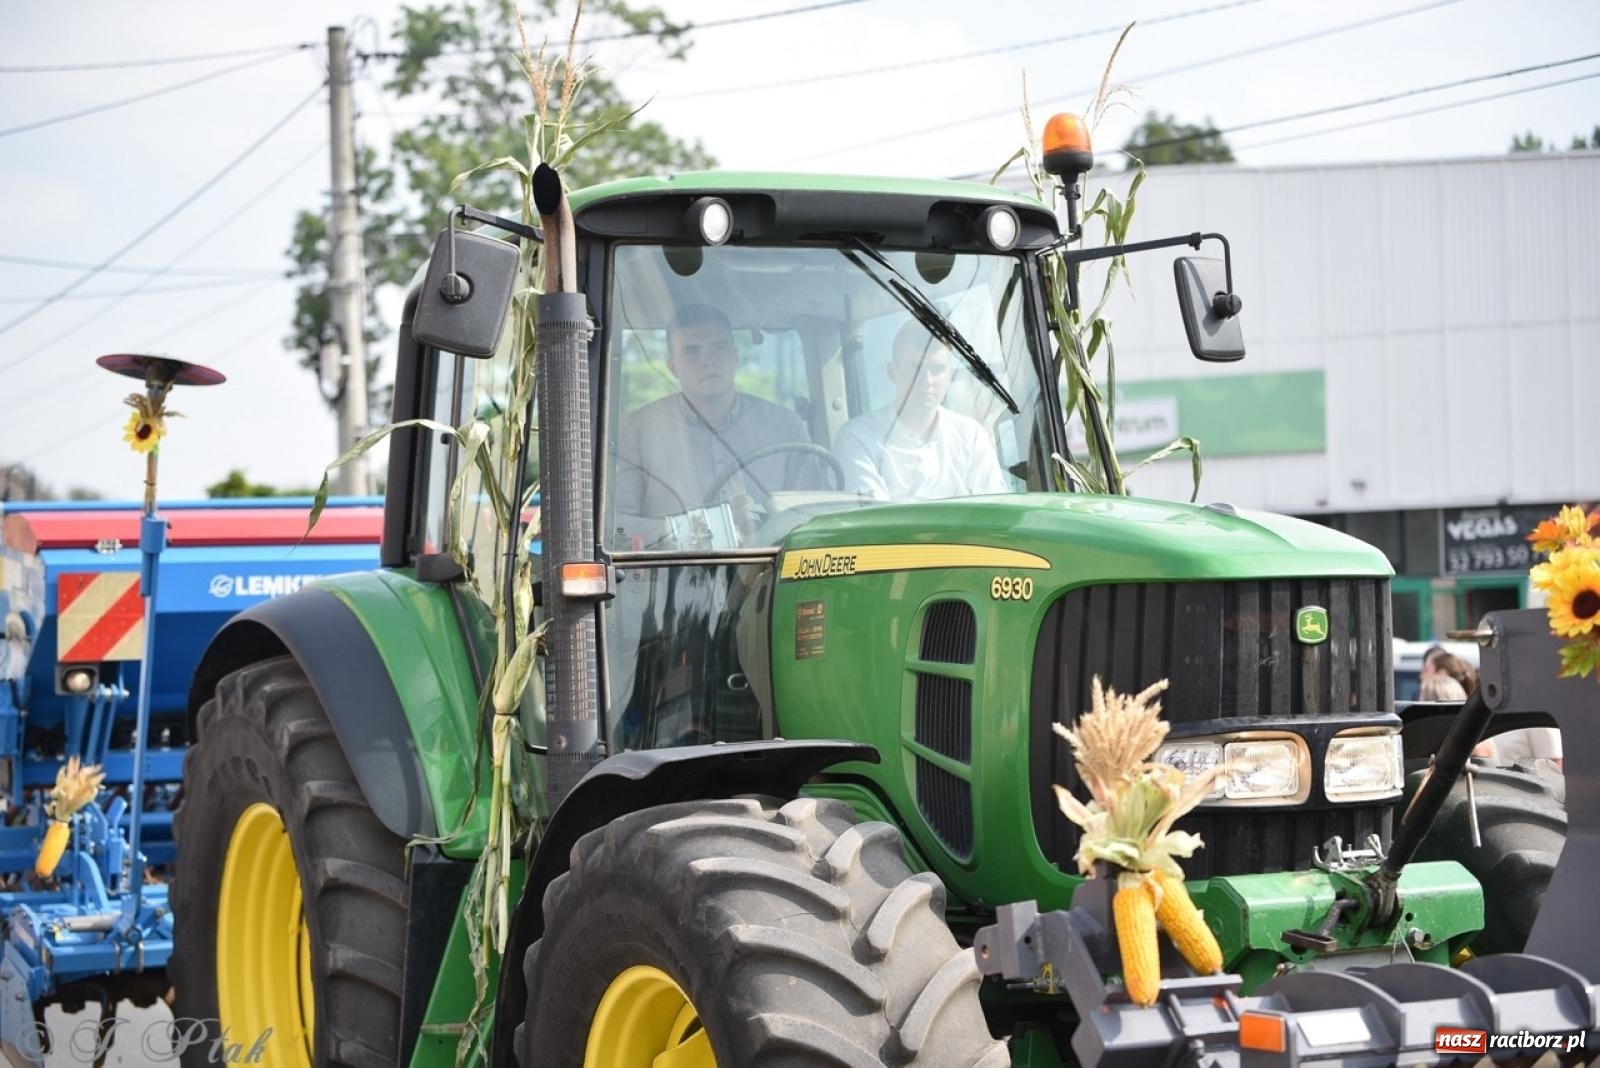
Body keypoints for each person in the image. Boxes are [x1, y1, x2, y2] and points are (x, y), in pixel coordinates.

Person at [614, 304, 821, 529]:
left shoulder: (785, 426)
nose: (708, 360)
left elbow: (814, 514)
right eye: (691, 351)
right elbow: (616, 525)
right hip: (676, 563)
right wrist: (683, 535)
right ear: (673, 367)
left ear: (735, 356)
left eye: (718, 347)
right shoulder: (636, 430)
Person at [833, 321, 1009, 502]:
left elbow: (995, 510)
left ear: (950, 375)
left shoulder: (971, 436)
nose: (927, 380)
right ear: (893, 372)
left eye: (937, 369)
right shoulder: (859, 438)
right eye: (914, 368)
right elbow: (873, 520)